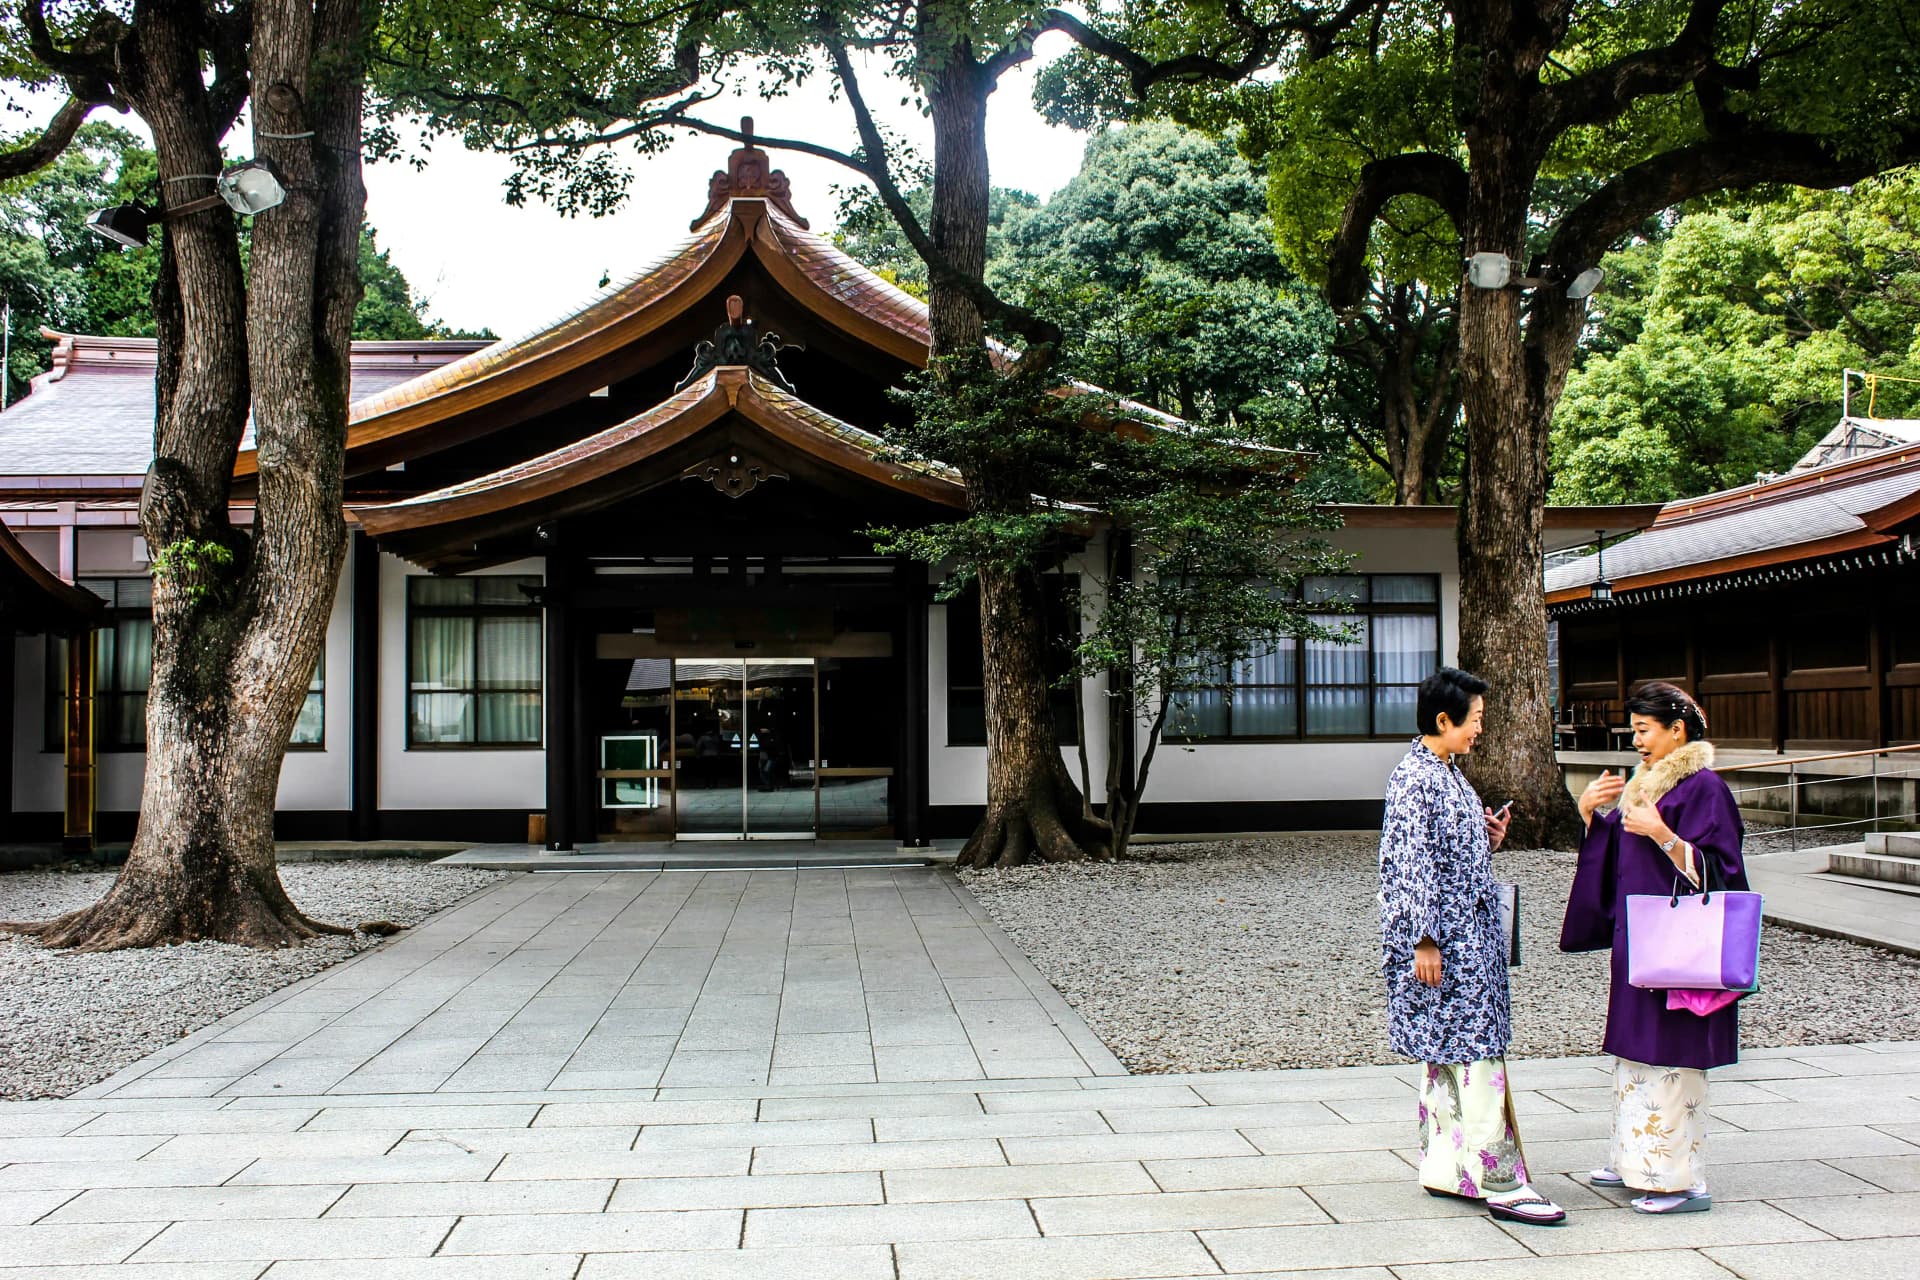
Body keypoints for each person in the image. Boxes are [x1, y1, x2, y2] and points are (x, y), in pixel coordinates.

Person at [1379, 667, 1566, 1226]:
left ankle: (1447, 1165)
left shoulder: (1443, 773)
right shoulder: (1418, 778)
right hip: (1448, 940)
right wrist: (1424, 939)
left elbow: (1441, 852)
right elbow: (1408, 866)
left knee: (1448, 1051)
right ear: (1445, 719)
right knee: (1476, 1051)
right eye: (1476, 718)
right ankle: (1500, 1179)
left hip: (1464, 935)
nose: (1481, 728)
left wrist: (1485, 836)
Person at [1560, 680, 1747, 1215]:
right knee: (1635, 1052)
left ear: (1677, 730)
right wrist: (1593, 815)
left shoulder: (1704, 787)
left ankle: (1680, 1181)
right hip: (1641, 938)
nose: (1637, 741)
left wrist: (1664, 834)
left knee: (1673, 1055)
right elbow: (1618, 849)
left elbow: (1725, 873)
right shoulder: (1649, 783)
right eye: (1635, 730)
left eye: (1644, 730)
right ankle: (1633, 1160)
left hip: (1679, 946)